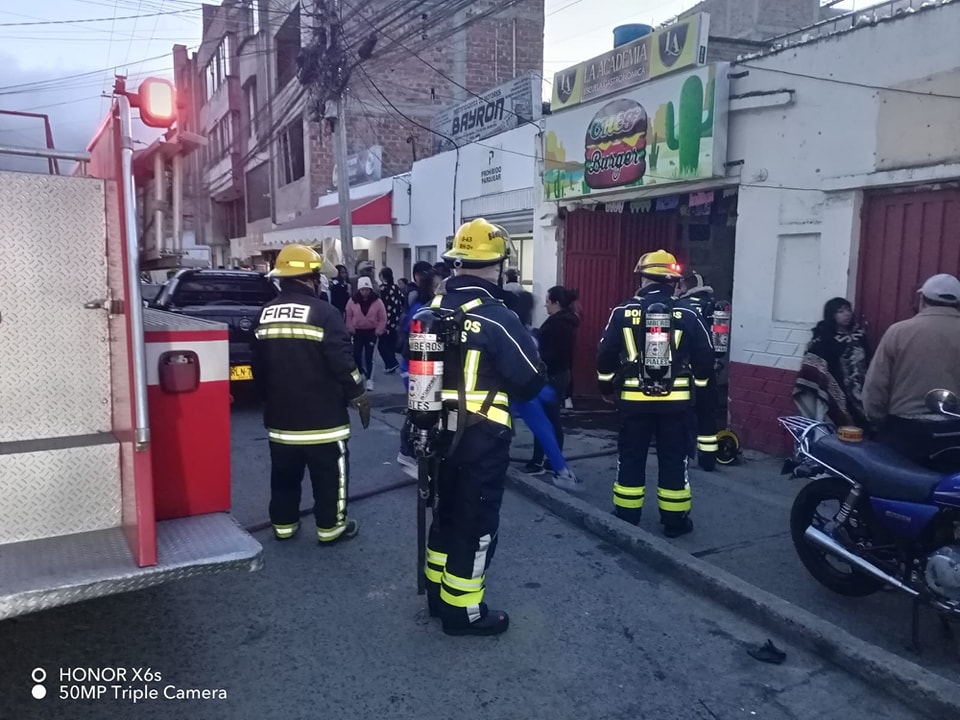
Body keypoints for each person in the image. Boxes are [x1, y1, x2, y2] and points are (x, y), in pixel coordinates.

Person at [422, 218, 545, 637]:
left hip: (434, 434)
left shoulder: (432, 310)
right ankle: (463, 613)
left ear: (457, 262)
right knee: (474, 524)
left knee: (444, 515)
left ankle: (437, 597)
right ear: (498, 264)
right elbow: (531, 380)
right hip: (481, 437)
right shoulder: (497, 317)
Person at [250, 244, 370, 544]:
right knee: (330, 478)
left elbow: (257, 368)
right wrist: (358, 392)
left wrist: (267, 401)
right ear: (312, 278)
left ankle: (284, 526)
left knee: (283, 477)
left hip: (281, 421)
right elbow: (343, 362)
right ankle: (331, 528)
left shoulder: (264, 314)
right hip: (324, 421)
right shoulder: (325, 313)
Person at [597, 250, 713, 538]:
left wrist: (606, 387)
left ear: (643, 278)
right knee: (674, 458)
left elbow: (605, 354)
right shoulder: (689, 313)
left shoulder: (622, 311)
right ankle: (675, 521)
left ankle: (626, 515)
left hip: (633, 403)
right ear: (674, 281)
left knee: (631, 456)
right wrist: (698, 388)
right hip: (676, 405)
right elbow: (705, 357)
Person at [863, 273, 960, 471]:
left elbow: (876, 386)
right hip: (954, 432)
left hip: (904, 431)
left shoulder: (898, 332)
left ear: (922, 299)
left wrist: (877, 420)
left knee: (892, 486)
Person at [523, 286, 580, 482]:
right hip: (559, 376)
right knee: (551, 419)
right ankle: (550, 461)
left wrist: (537, 355)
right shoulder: (563, 321)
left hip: (552, 376)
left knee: (544, 420)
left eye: (548, 301)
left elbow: (554, 353)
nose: (545, 305)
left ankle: (539, 462)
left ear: (556, 303)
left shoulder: (559, 324)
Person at [794, 297, 871, 428]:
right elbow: (813, 365)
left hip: (861, 388)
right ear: (831, 315)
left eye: (848, 310)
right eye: (841, 311)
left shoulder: (859, 334)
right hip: (836, 390)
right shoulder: (824, 338)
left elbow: (869, 358)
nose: (847, 314)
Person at [676, 271, 720, 471]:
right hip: (708, 369)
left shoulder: (681, 307)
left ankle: (681, 455)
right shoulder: (712, 305)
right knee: (707, 414)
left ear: (685, 285)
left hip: (682, 372)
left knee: (681, 414)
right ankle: (708, 459)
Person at [396, 269, 437, 476]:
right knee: (420, 407)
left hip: (427, 364)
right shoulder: (423, 309)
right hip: (416, 364)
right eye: (437, 286)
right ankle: (407, 452)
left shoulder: (435, 306)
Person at [345, 276, 387, 391]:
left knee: (370, 356)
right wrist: (350, 328)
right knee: (356, 354)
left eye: (367, 289)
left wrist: (379, 330)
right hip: (357, 331)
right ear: (359, 289)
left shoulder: (377, 301)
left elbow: (383, 317)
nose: (365, 292)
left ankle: (369, 379)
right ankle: (361, 372)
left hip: (371, 331)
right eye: (362, 289)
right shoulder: (353, 301)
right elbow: (348, 316)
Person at [377, 267, 405, 375]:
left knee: (382, 345)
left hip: (385, 319)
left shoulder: (382, 289)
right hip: (395, 319)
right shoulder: (395, 287)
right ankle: (390, 364)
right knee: (390, 343)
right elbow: (402, 300)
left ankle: (391, 363)